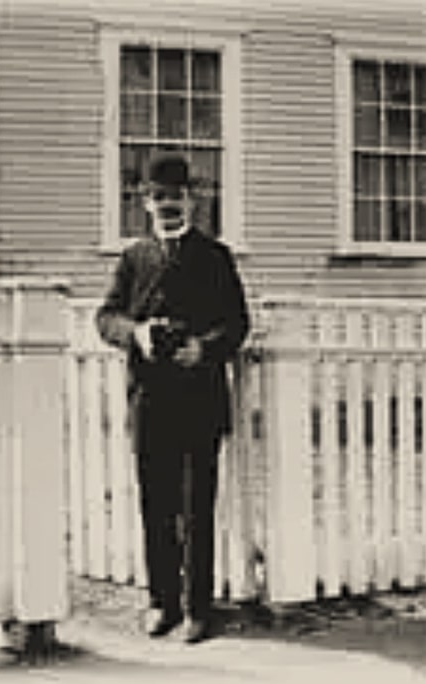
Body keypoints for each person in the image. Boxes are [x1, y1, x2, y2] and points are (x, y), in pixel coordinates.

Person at [96, 152, 249, 644]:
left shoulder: (215, 257)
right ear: (145, 202)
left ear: (193, 199)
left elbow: (238, 323)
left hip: (200, 399)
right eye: (158, 197)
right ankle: (161, 602)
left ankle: (199, 609)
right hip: (150, 401)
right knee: (156, 505)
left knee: (197, 505)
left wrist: (204, 347)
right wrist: (137, 335)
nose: (168, 206)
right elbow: (106, 317)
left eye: (177, 196)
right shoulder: (134, 258)